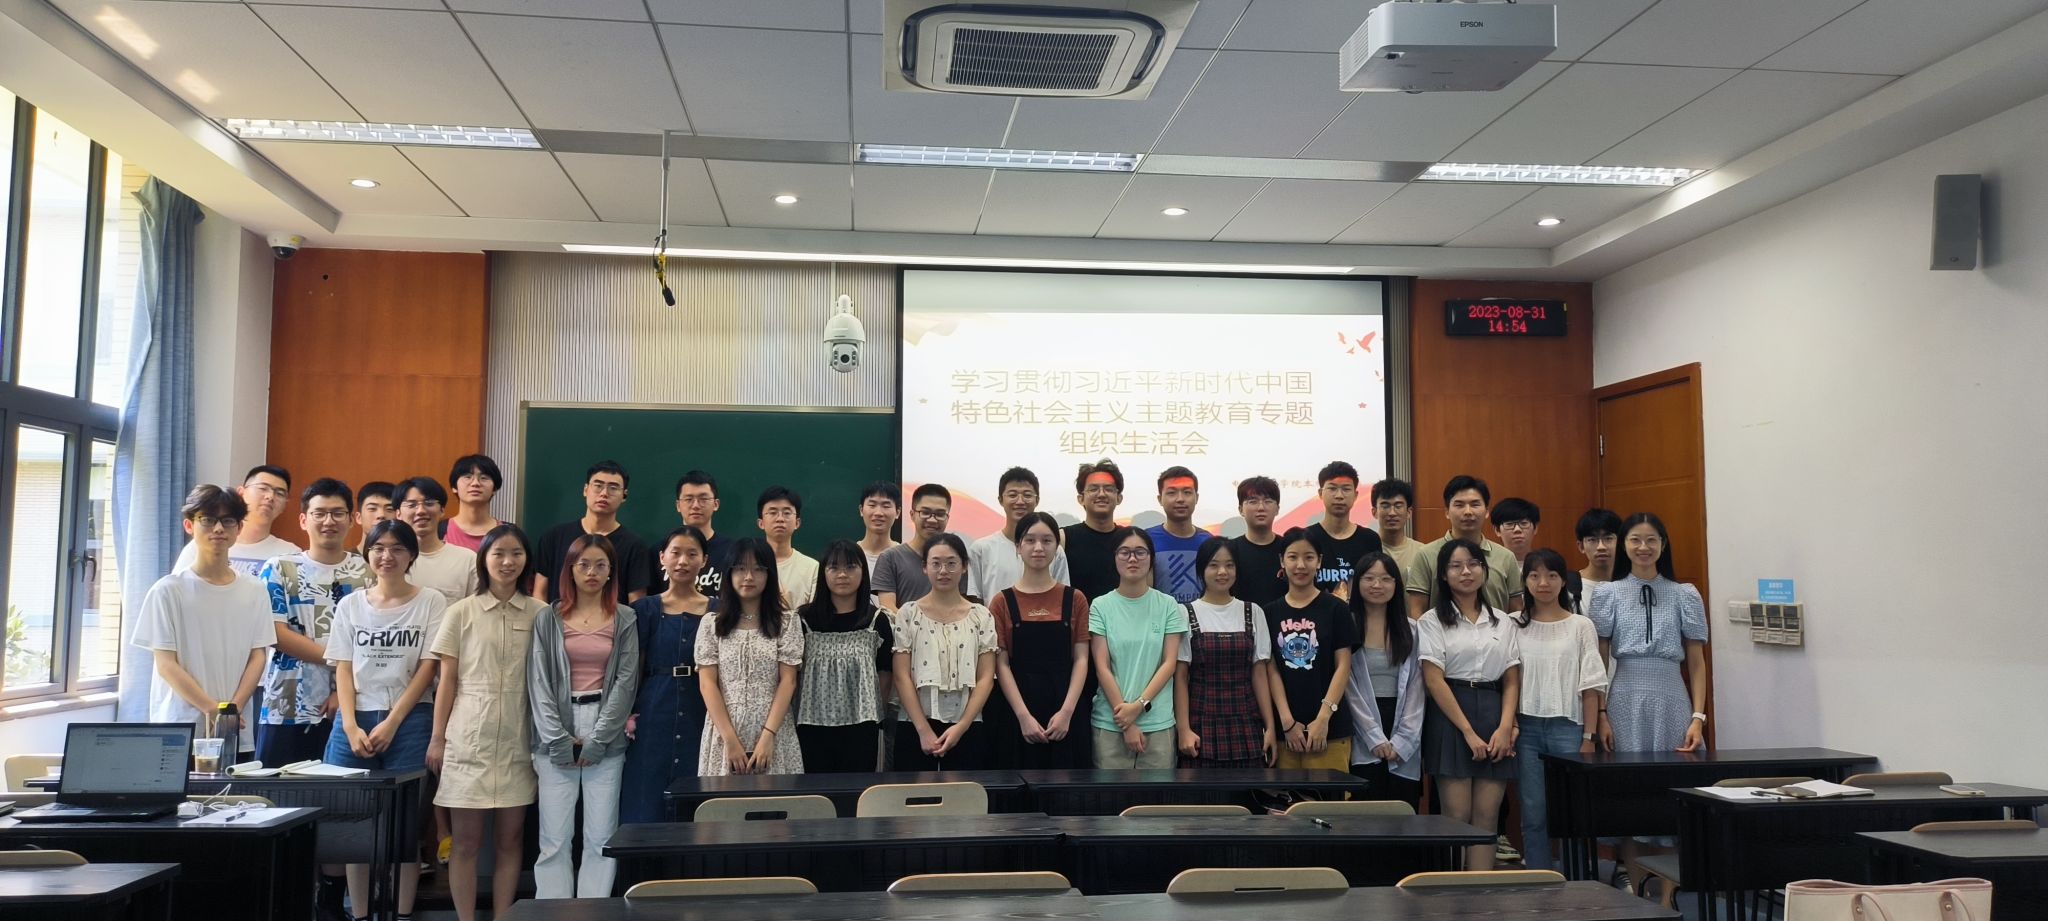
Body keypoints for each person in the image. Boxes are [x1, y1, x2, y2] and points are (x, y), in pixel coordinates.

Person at [325, 519, 447, 921]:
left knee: (404, 828)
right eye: (378, 548)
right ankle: (360, 914)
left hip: (410, 720)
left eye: (397, 548)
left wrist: (393, 721)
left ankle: (401, 914)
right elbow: (343, 668)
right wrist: (348, 725)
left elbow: (428, 667)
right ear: (367, 554)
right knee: (355, 827)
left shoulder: (431, 601)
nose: (386, 556)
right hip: (355, 720)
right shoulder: (350, 605)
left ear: (411, 555)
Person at [428, 525, 545, 921]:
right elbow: (447, 681)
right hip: (467, 738)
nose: (507, 562)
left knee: (511, 842)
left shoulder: (540, 614)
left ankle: (502, 917)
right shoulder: (461, 612)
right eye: (498, 554)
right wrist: (437, 738)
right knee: (465, 843)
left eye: (516, 554)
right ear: (484, 559)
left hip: (519, 737)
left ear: (527, 560)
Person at [1587, 513, 1710, 882]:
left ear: (1663, 544)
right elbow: (1599, 659)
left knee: (1671, 788)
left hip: (1672, 697)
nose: (1644, 547)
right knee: (1630, 793)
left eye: (1651, 539)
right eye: (1635, 540)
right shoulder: (1607, 593)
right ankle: (1636, 882)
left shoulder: (1685, 593)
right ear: (1624, 545)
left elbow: (1697, 662)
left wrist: (1698, 717)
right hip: (1624, 697)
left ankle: (1668, 889)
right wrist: (1601, 712)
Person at [528, 534, 640, 900]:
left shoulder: (625, 617)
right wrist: (556, 738)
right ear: (570, 570)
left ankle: (594, 910)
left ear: (611, 572)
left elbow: (625, 681)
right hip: (555, 726)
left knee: (600, 836)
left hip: (605, 724)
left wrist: (600, 738)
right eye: (584, 565)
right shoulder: (547, 617)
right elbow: (538, 682)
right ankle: (553, 910)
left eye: (600, 565)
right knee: (554, 838)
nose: (592, 572)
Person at [133, 485, 274, 759]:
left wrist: (231, 711)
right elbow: (166, 664)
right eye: (208, 520)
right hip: (179, 728)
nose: (218, 528)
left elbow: (258, 656)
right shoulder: (167, 590)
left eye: (227, 520)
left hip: (235, 729)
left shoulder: (255, 590)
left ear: (239, 528)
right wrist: (211, 709)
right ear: (189, 525)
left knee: (235, 787)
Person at [1417, 538, 1522, 871]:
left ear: (1484, 570)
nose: (1466, 571)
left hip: (1494, 711)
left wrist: (1506, 726)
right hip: (1451, 715)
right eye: (1456, 566)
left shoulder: (1503, 621)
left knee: (1487, 816)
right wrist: (1467, 732)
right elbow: (1434, 680)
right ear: (1443, 575)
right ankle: (1454, 892)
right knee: (1456, 816)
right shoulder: (1432, 621)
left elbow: (1511, 678)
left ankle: (1480, 891)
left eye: (1473, 564)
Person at [256, 478, 367, 768]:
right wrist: (340, 665)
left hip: (351, 709)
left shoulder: (366, 573)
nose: (329, 521)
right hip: (286, 705)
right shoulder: (279, 568)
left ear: (351, 520)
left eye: (338, 513)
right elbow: (275, 633)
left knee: (343, 792)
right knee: (276, 789)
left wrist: (342, 690)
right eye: (319, 513)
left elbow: (371, 642)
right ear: (304, 520)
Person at [1513, 548, 1608, 871]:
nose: (1543, 583)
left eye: (1552, 575)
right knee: (1533, 811)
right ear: (1525, 581)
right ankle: (1539, 878)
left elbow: (1591, 684)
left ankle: (1577, 882)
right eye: (1535, 575)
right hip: (1526, 729)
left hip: (1570, 728)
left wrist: (1589, 736)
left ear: (1563, 581)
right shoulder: (1514, 624)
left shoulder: (1581, 626)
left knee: (1572, 811)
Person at [619, 527, 714, 822]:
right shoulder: (643, 609)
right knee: (646, 792)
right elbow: (633, 667)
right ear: (662, 558)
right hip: (654, 707)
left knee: (697, 792)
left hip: (703, 707)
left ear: (704, 560)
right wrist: (628, 711)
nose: (682, 561)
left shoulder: (718, 610)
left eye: (692, 554)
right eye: (675, 553)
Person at [990, 512, 1092, 769]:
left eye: (1047, 540)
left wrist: (1066, 713)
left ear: (1057, 548)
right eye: (1030, 540)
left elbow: (1081, 659)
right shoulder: (1002, 601)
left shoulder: (1075, 598)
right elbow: (1001, 664)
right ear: (1018, 547)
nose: (1038, 547)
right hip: (1017, 712)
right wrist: (1023, 716)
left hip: (1067, 710)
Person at [891, 534, 999, 770]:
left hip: (968, 725)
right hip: (915, 724)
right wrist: (923, 730)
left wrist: (962, 727)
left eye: (951, 563)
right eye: (936, 563)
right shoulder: (908, 614)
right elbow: (901, 676)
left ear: (964, 567)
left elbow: (985, 678)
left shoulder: (981, 616)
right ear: (924, 567)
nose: (943, 571)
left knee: (966, 791)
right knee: (912, 791)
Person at [698, 538, 804, 775]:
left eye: (758, 569)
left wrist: (768, 736)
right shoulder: (711, 624)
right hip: (724, 733)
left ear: (769, 575)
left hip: (774, 732)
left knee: (776, 797)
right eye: (740, 568)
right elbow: (707, 684)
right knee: (723, 798)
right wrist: (730, 740)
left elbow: (788, 681)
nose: (748, 577)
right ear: (729, 573)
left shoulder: (787, 622)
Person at [1089, 527, 1187, 768]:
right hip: (1110, 723)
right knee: (1109, 793)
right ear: (1114, 558)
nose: (1132, 558)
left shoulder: (1168, 605)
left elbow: (1169, 664)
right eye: (1124, 552)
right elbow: (1102, 667)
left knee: (1156, 793)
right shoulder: (1100, 606)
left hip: (1158, 723)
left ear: (1151, 558)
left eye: (1140, 552)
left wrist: (1138, 706)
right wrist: (1127, 721)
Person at [1264, 528, 1358, 770]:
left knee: (1331, 795)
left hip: (1330, 730)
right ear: (1282, 561)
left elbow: (1343, 666)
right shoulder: (1269, 612)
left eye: (1308, 557)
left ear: (1319, 561)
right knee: (1286, 796)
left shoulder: (1336, 608)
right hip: (1286, 733)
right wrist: (1287, 722)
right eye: (1293, 557)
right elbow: (1271, 669)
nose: (1300, 565)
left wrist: (1323, 718)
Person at [1175, 539, 1274, 768]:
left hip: (1247, 722)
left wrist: (1269, 727)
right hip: (1200, 722)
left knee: (1250, 787)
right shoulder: (1185, 612)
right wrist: (1184, 729)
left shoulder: (1253, 611)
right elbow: (1180, 677)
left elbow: (1259, 673)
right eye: (1214, 565)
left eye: (1229, 565)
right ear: (1201, 570)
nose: (1222, 572)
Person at [793, 540, 891, 773]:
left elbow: (885, 673)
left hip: (862, 723)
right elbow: (792, 674)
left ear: (863, 572)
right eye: (834, 567)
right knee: (815, 789)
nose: (842, 575)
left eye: (850, 567)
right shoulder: (804, 620)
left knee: (858, 789)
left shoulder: (877, 619)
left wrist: (875, 708)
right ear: (823, 573)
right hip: (812, 722)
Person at [1346, 552, 1424, 809]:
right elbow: (1348, 687)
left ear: (1396, 584)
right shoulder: (1346, 626)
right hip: (1361, 728)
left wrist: (1404, 740)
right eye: (1369, 578)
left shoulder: (1412, 630)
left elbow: (1417, 687)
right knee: (1365, 814)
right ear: (1357, 583)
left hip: (1403, 726)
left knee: (1402, 813)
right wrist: (1373, 736)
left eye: (1385, 579)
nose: (1377, 585)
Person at [534, 461, 654, 604]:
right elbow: (539, 593)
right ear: (585, 490)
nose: (604, 493)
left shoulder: (635, 546)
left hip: (612, 618)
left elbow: (637, 602)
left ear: (624, 496)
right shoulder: (554, 537)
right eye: (598, 486)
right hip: (558, 618)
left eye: (613, 488)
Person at [1406, 476, 1523, 618]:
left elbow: (1516, 610)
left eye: (1475, 504)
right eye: (1459, 505)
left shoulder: (1506, 557)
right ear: (1447, 512)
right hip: (1439, 632)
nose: (1468, 511)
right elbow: (1417, 611)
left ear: (1487, 511)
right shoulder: (1426, 555)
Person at [174, 465, 300, 576]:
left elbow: (294, 595)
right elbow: (178, 587)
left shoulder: (290, 554)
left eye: (280, 493)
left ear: (285, 505)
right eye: (263, 488)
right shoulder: (203, 545)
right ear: (241, 493)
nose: (270, 496)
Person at [968, 467, 1072, 599]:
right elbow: (974, 599)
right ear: (1000, 500)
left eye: (1027, 495)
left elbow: (1062, 596)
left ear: (1037, 500)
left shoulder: (1054, 550)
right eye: (1012, 495)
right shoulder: (981, 549)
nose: (1020, 501)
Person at [1306, 461, 1383, 601]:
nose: (1339, 496)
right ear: (1320, 493)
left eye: (1346, 489)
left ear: (1355, 495)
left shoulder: (1370, 539)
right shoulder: (1307, 538)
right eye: (1332, 488)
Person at [398, 476, 479, 604]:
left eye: (429, 503)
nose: (421, 511)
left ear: (442, 510)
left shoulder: (467, 559)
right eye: (412, 505)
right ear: (398, 513)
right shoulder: (389, 560)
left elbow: (476, 609)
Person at [874, 483, 949, 611]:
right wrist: (921, 624)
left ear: (947, 518)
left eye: (940, 514)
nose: (932, 520)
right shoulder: (890, 558)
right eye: (925, 512)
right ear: (912, 514)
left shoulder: (955, 561)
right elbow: (888, 607)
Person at [1063, 458, 1126, 603]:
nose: (1101, 494)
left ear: (1119, 498)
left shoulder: (1129, 540)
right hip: (1077, 617)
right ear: (1081, 498)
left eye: (1108, 489)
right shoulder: (1063, 539)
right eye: (1093, 489)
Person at [1146, 466, 1212, 604]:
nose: (1180, 499)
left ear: (1197, 497)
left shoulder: (1209, 542)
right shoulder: (1146, 540)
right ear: (1160, 499)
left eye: (1187, 492)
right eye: (1172, 493)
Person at [1226, 475, 1287, 607]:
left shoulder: (1289, 549)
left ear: (1277, 509)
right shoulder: (1229, 551)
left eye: (1268, 501)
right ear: (1241, 509)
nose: (1261, 508)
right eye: (1253, 501)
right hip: (1241, 619)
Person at [673, 471, 733, 597]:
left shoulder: (733, 551)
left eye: (703, 499)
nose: (695, 505)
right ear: (678, 505)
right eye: (688, 499)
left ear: (716, 504)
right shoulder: (662, 550)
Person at [757, 486, 818, 609]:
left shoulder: (812, 568)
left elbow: (815, 614)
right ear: (761, 523)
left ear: (797, 523)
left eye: (787, 513)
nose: (780, 519)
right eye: (772, 512)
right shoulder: (747, 567)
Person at [445, 455, 509, 552]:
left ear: (494, 489)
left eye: (484, 478)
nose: (475, 483)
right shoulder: (437, 532)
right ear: (454, 487)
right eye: (468, 477)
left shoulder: (510, 533)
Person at [1372, 478, 1424, 575]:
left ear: (1409, 512)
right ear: (1374, 512)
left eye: (1398, 506)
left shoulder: (1422, 552)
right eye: (1385, 506)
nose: (1392, 513)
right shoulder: (1366, 550)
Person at [856, 481, 902, 574]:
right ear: (861, 510)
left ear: (897, 512)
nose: (878, 513)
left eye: (886, 506)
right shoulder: (850, 555)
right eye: (872, 505)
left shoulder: (904, 557)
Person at [1574, 507, 1624, 590]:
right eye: (1592, 540)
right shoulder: (1569, 587)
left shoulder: (1633, 584)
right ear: (1581, 546)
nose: (1601, 547)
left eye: (1608, 538)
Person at [1490, 497, 1540, 563]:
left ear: (1535, 528)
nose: (1517, 529)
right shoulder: (1488, 565)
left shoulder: (1546, 566)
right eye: (1509, 524)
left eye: (1523, 523)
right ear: (1497, 530)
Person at [356, 481, 398, 556]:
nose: (381, 515)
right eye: (372, 508)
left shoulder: (407, 559)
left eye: (389, 509)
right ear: (359, 518)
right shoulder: (343, 560)